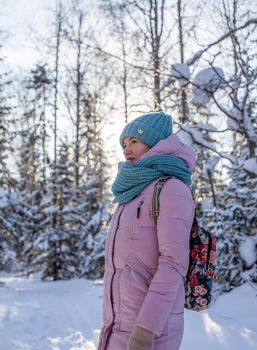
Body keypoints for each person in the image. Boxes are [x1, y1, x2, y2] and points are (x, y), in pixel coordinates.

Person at [98, 111, 196, 350]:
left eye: (134, 141)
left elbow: (173, 263)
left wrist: (145, 330)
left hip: (150, 333)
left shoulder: (171, 188)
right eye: (124, 143)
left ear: (154, 144)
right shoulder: (131, 192)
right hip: (118, 326)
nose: (126, 149)